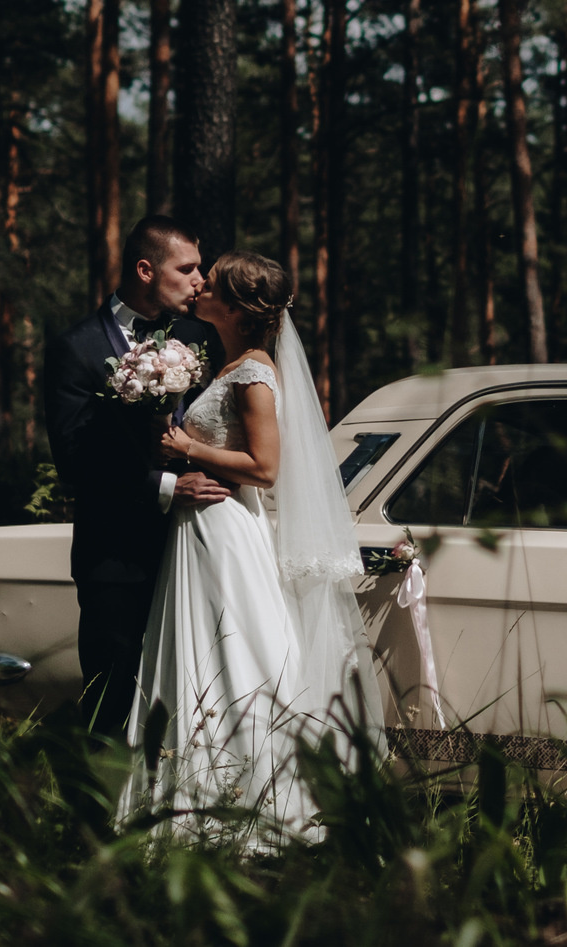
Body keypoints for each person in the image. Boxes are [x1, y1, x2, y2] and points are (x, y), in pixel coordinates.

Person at [119, 250, 379, 840]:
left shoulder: (254, 374)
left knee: (236, 653)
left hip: (228, 530)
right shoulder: (230, 362)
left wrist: (187, 449)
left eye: (209, 283)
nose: (199, 286)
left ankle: (262, 802)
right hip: (203, 529)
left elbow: (264, 467)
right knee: (200, 654)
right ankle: (193, 797)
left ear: (234, 307)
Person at [40, 214, 228, 732]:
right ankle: (96, 810)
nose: (200, 281)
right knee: (111, 699)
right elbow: (74, 460)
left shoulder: (202, 338)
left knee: (193, 697)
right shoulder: (76, 349)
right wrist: (169, 486)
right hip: (116, 561)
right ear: (146, 270)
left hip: (198, 549)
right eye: (187, 269)